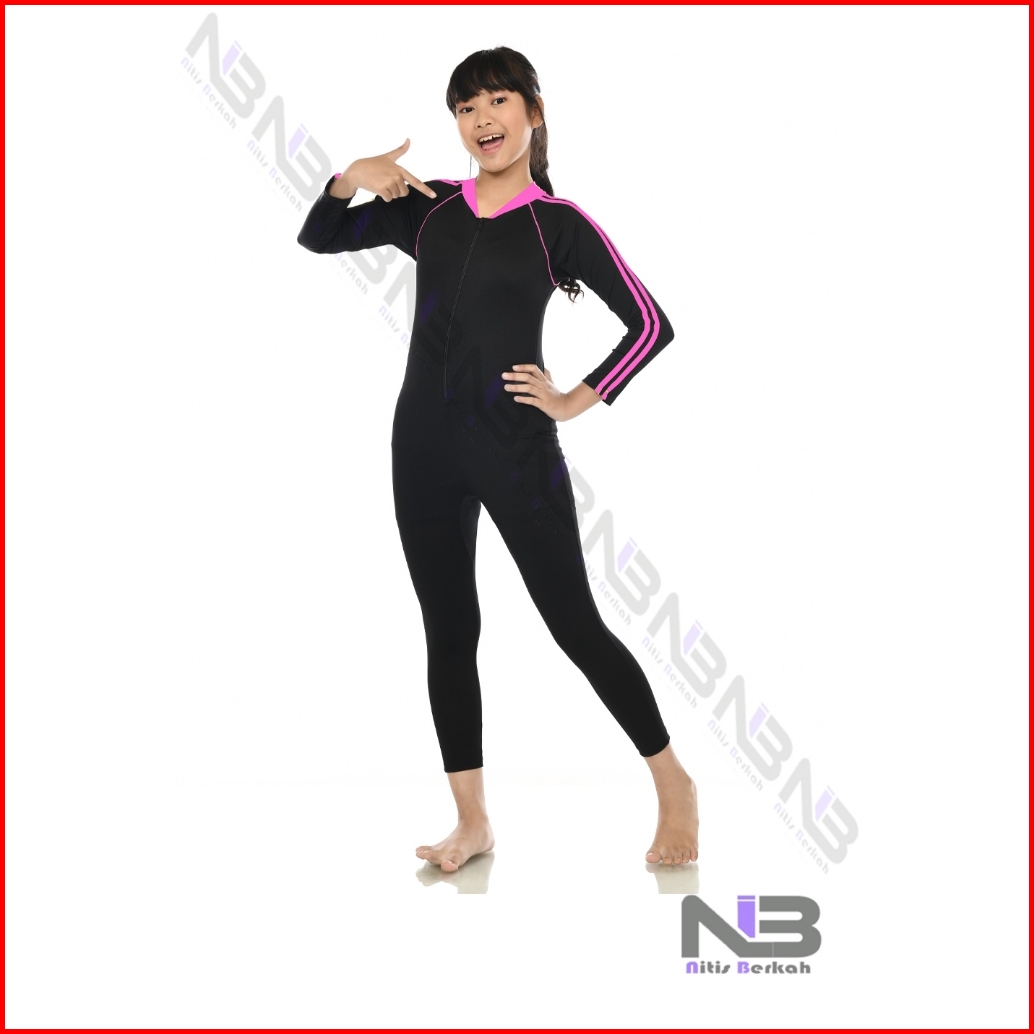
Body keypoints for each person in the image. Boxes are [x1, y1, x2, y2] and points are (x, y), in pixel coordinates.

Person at [297, 46, 699, 872]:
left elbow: (651, 324)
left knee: (574, 624)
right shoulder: (429, 207)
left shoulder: (560, 225)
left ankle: (674, 784)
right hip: (421, 446)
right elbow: (319, 236)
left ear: (533, 112)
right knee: (449, 630)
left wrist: (574, 397)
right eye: (465, 107)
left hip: (514, 450)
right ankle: (472, 820)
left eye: (497, 101)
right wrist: (349, 177)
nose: (481, 119)